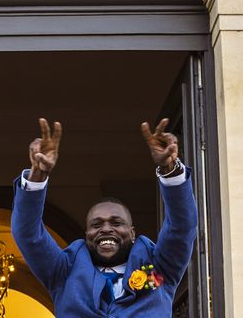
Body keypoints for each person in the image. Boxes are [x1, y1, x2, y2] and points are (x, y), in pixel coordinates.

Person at [11, 118, 198, 317]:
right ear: (87, 234)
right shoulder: (63, 273)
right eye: (96, 224)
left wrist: (170, 170)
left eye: (116, 223)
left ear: (132, 233)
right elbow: (28, 234)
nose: (106, 228)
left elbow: (182, 227)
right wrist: (38, 176)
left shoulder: (159, 270)